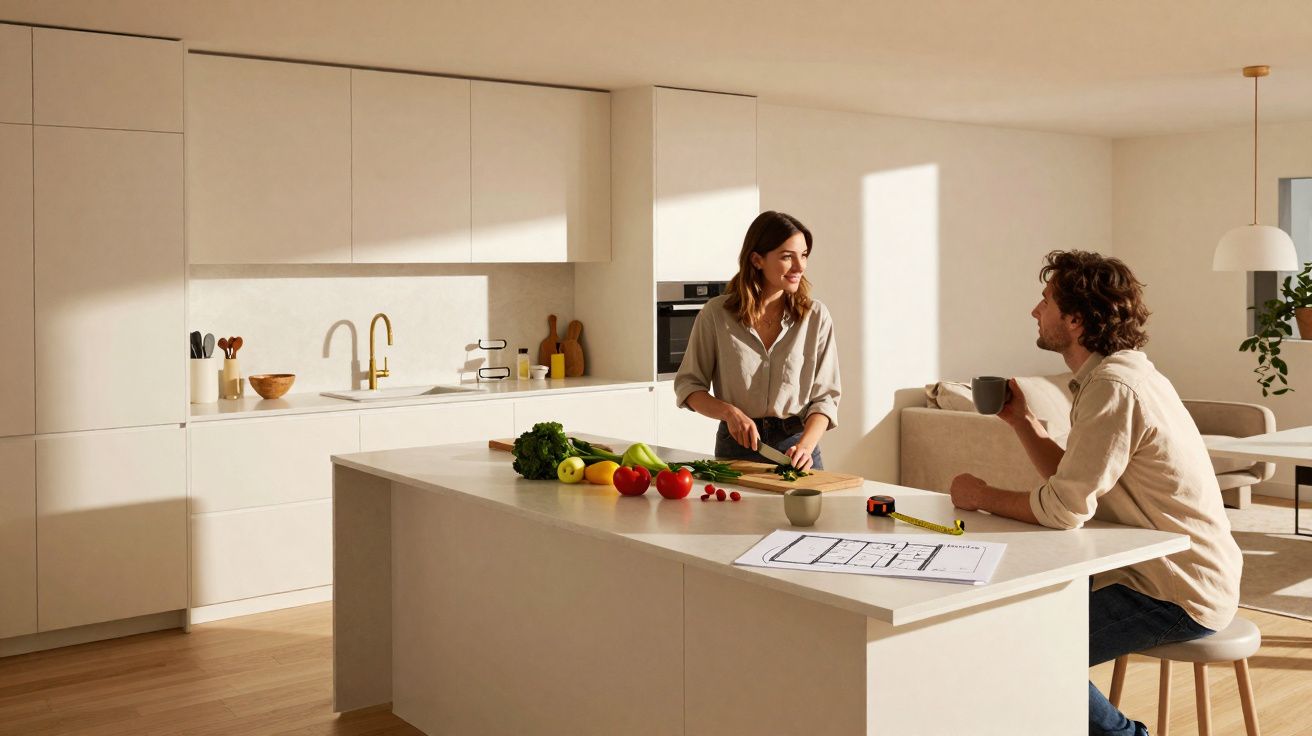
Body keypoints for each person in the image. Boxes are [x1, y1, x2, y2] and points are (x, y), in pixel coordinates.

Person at [948, 250, 1241, 736]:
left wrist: (980, 495)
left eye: (1045, 301)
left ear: (1077, 318)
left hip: (1177, 590)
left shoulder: (1114, 387)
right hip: (1158, 572)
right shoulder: (1118, 375)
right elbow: (1073, 482)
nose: (1034, 311)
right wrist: (1023, 422)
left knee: (1018, 650)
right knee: (1007, 626)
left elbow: (1061, 511)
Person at [674, 211, 840, 471]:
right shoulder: (716, 315)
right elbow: (689, 386)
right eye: (787, 256)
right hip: (736, 448)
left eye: (804, 255)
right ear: (757, 259)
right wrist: (729, 413)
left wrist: (806, 447)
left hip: (797, 448)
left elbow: (825, 398)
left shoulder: (816, 316)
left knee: (807, 513)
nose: (800, 266)